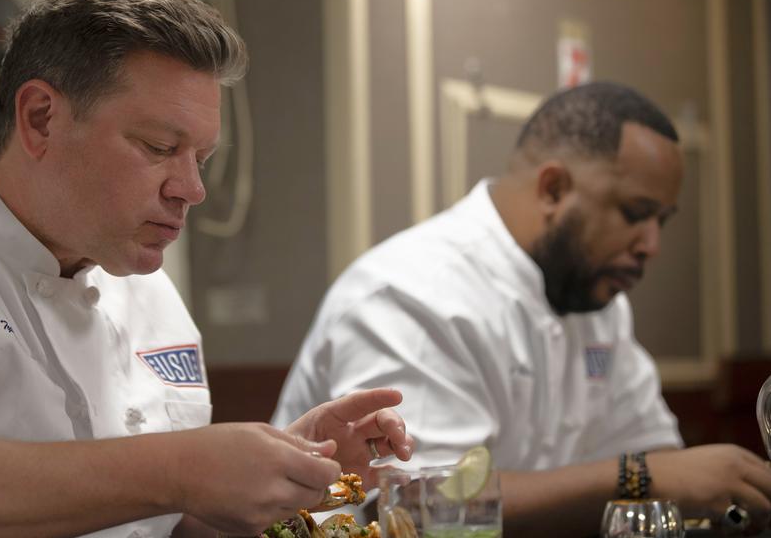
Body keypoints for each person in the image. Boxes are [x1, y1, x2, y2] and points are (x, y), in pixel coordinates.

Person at [0, 0, 414, 537]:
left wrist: (290, 473)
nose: (191, 190)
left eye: (199, 157)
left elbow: (165, 525)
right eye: (160, 148)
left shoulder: (147, 283)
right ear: (40, 118)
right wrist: (181, 468)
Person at [272, 82, 771, 536]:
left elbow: (656, 450)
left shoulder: (594, 294)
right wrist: (638, 478)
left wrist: (683, 478)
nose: (651, 245)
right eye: (636, 214)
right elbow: (423, 505)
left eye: (662, 221)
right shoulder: (415, 291)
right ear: (553, 189)